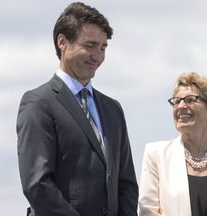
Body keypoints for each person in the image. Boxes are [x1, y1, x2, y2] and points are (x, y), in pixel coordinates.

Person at [17, 2, 138, 216]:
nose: (98, 57)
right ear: (62, 42)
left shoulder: (113, 109)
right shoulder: (38, 103)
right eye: (90, 46)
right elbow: (37, 184)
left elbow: (126, 183)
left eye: (103, 48)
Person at [138, 72, 207, 216]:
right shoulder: (155, 154)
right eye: (176, 101)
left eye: (190, 100)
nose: (180, 106)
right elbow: (147, 211)